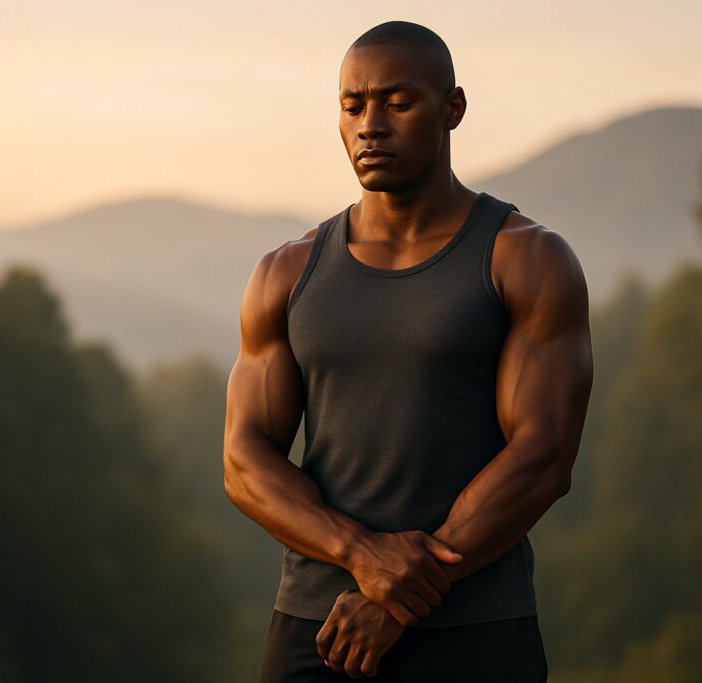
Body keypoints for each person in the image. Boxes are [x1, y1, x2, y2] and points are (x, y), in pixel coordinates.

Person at [224, 19, 593, 682]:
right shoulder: (284, 273)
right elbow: (244, 462)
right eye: (352, 105)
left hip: (477, 632)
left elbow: (543, 456)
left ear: (452, 108)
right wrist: (362, 556)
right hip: (320, 632)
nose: (371, 123)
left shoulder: (528, 258)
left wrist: (396, 599)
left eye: (397, 103)